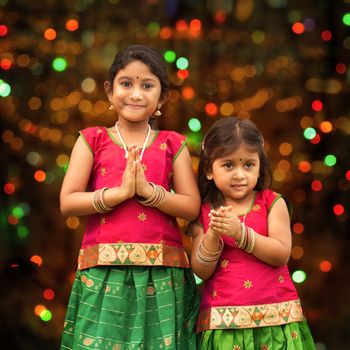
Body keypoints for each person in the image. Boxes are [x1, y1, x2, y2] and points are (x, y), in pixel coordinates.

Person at [60, 44, 200, 350]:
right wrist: (119, 194)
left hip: (162, 274)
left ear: (162, 96)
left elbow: (191, 206)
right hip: (103, 273)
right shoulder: (92, 139)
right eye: (126, 84)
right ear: (110, 91)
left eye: (147, 86)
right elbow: (68, 202)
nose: (136, 94)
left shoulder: (171, 144)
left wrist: (150, 193)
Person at [188, 117, 316, 349]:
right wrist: (212, 236)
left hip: (275, 322)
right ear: (209, 169)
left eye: (248, 165)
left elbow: (281, 253)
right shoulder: (204, 212)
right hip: (224, 326)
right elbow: (201, 271)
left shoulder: (272, 203)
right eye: (228, 165)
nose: (240, 174)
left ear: (260, 166)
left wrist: (241, 234)